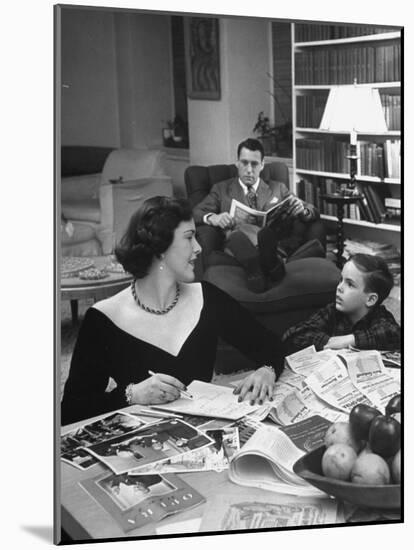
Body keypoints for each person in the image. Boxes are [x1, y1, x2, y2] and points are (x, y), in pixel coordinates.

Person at [61, 196, 287, 426]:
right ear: (160, 247)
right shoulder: (103, 318)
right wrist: (131, 394)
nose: (199, 248)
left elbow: (272, 347)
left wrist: (266, 370)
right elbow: (71, 413)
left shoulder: (207, 297)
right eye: (189, 238)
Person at [193, 138, 325, 292]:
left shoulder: (278, 188)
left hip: (274, 244)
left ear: (262, 165)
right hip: (237, 246)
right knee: (236, 236)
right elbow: (196, 212)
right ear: (237, 163)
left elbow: (312, 209)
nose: (249, 170)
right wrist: (213, 218)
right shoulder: (222, 189)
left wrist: (303, 210)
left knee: (266, 235)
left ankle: (257, 270)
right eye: (244, 163)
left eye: (254, 164)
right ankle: (272, 266)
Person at [282, 253, 401, 353]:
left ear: (370, 300)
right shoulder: (333, 311)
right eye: (341, 280)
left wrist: (348, 340)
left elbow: (393, 333)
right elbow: (294, 334)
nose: (339, 287)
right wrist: (329, 342)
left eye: (350, 284)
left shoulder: (380, 317)